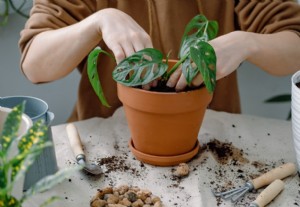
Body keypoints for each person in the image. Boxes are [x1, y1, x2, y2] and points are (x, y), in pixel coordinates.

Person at [19, 0, 300, 122]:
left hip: (210, 139)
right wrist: (98, 22)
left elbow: (294, 43)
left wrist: (246, 42)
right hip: (103, 143)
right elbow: (35, 64)